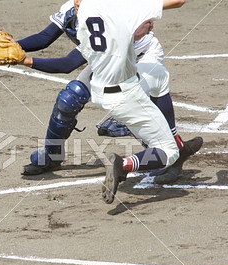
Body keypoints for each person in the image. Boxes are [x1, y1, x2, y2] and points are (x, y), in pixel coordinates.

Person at [15, 0, 200, 184]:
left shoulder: (113, 13)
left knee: (133, 106)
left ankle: (172, 152)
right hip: (107, 61)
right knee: (70, 98)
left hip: (142, 57)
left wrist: (24, 61)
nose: (78, 3)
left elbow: (68, 64)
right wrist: (14, 45)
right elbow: (45, 37)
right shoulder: (75, 9)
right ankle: (51, 155)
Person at [75, 0, 202, 203]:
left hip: (99, 88)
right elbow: (178, 1)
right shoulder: (127, 8)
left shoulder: (84, 10)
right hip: (125, 94)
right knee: (168, 153)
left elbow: (116, 37)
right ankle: (123, 165)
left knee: (159, 75)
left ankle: (178, 142)